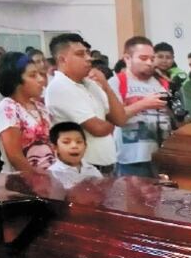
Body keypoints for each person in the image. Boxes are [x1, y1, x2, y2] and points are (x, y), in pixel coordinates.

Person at [45, 33, 129, 175]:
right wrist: (110, 121)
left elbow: (121, 119)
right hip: (83, 168)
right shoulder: (60, 87)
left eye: (88, 53)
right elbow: (98, 129)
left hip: (107, 165)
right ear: (62, 59)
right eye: (80, 54)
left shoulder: (90, 84)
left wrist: (106, 86)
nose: (88, 58)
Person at [108, 36, 173, 177]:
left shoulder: (161, 83)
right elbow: (116, 117)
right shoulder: (117, 82)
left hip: (161, 156)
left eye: (152, 58)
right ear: (127, 58)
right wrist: (144, 103)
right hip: (131, 159)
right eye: (143, 58)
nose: (149, 63)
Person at [0, 51, 54, 172]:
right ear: (15, 81)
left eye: (40, 74)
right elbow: (15, 157)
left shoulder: (40, 107)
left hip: (50, 176)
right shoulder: (8, 108)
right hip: (25, 182)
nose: (41, 79)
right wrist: (37, 180)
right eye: (32, 75)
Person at [47, 121, 103, 188]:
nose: (74, 146)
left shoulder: (93, 170)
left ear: (85, 146)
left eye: (79, 142)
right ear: (55, 147)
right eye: (66, 142)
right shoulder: (52, 174)